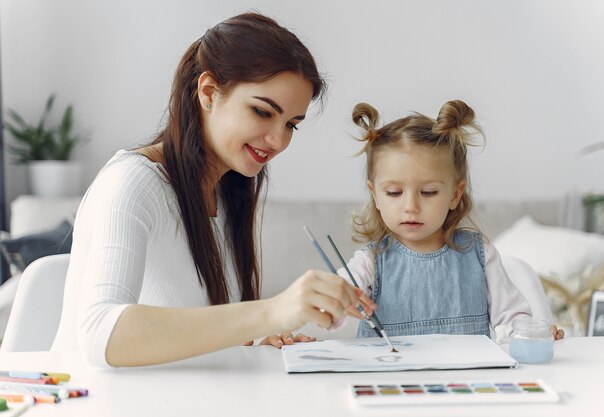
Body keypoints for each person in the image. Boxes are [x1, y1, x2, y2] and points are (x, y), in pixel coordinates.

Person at [51, 12, 373, 368]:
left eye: (291, 125)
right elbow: (100, 335)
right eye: (263, 112)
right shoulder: (133, 183)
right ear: (208, 92)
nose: (278, 140)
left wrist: (255, 339)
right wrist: (270, 311)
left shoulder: (227, 192)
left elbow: (190, 321)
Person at [336, 100, 564, 342]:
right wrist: (339, 297)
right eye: (394, 193)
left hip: (464, 378)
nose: (411, 207)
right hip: (390, 377)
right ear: (375, 196)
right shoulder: (369, 262)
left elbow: (512, 318)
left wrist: (531, 331)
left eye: (429, 192)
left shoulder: (481, 256)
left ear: (455, 194)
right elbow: (333, 304)